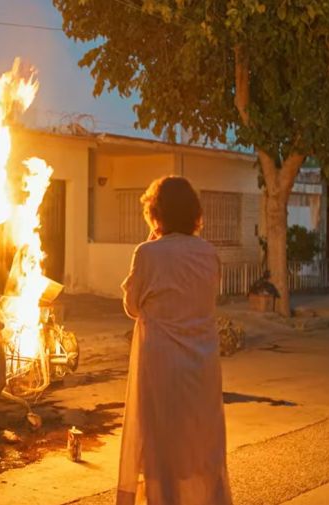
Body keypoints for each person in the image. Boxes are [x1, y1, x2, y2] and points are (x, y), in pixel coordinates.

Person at [116, 176, 233, 505]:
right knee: (201, 444)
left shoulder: (147, 253)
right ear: (194, 213)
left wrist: (151, 243)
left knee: (162, 446)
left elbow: (132, 307)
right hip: (202, 366)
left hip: (161, 367)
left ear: (156, 214)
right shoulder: (209, 253)